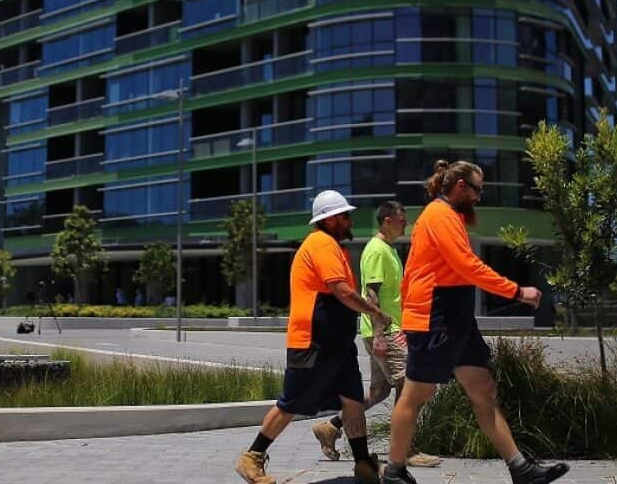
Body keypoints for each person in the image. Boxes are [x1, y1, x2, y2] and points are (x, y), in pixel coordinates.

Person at [382, 161, 568, 484]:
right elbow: (468, 266)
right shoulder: (439, 216)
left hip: (455, 318)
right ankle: (394, 471)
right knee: (415, 395)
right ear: (460, 187)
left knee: (483, 389)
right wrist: (517, 291)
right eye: (478, 190)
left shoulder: (450, 217)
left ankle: (520, 468)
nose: (480, 197)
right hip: (435, 317)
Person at [235, 190, 391, 484]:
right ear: (330, 219)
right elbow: (341, 291)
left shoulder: (333, 246)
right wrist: (376, 313)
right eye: (344, 216)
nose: (349, 220)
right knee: (291, 403)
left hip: (336, 345)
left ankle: (363, 465)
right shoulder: (320, 243)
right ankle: (252, 457)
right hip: (313, 342)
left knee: (353, 402)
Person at [313, 200, 441, 468]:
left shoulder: (389, 250)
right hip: (386, 330)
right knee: (409, 388)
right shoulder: (377, 250)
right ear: (387, 221)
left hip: (386, 329)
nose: (405, 223)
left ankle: (331, 427)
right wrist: (382, 335)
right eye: (401, 218)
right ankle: (405, 451)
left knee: (380, 391)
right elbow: (371, 293)